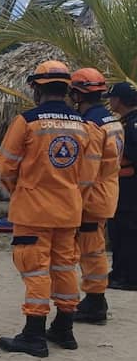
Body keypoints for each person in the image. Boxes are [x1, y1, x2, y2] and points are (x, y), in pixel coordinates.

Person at [0, 61, 100, 357]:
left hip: (33, 211)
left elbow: (6, 166)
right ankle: (64, 328)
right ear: (68, 88)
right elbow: (89, 174)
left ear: (36, 88)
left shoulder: (27, 121)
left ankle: (33, 335)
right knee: (66, 266)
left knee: (35, 269)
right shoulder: (85, 126)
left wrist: (21, 192)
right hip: (69, 211)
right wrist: (73, 197)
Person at [67, 69, 123, 321]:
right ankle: (95, 298)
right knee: (95, 247)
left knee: (91, 250)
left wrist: (75, 200)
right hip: (107, 191)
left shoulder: (90, 126)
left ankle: (95, 301)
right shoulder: (111, 121)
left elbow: (87, 171)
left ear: (77, 93)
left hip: (92, 196)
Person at [104, 81, 137, 291]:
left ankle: (129, 276)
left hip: (130, 188)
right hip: (124, 186)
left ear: (120, 100)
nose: (110, 101)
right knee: (119, 232)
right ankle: (120, 271)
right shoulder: (126, 122)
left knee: (127, 233)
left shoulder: (132, 125)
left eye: (112, 98)